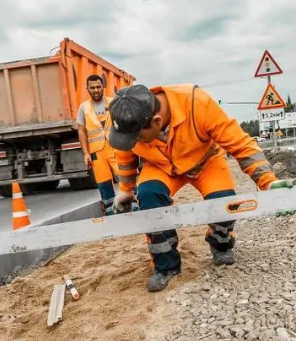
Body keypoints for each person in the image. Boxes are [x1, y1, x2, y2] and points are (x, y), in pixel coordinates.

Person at [108, 83, 280, 292]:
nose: (133, 141)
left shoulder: (197, 103)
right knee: (149, 198)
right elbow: (125, 155)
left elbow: (241, 144)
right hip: (161, 166)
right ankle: (166, 266)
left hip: (205, 162)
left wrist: (268, 182)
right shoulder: (131, 120)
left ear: (156, 121)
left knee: (225, 203)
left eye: (136, 137)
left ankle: (220, 243)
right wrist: (126, 190)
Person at [76, 74, 120, 215]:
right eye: (92, 87)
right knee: (104, 183)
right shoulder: (83, 108)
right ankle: (110, 212)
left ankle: (134, 206)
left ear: (103, 87)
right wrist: (86, 154)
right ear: (87, 89)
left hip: (115, 149)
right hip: (97, 153)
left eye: (98, 87)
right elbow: (81, 131)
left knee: (125, 178)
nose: (96, 90)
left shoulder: (113, 103)